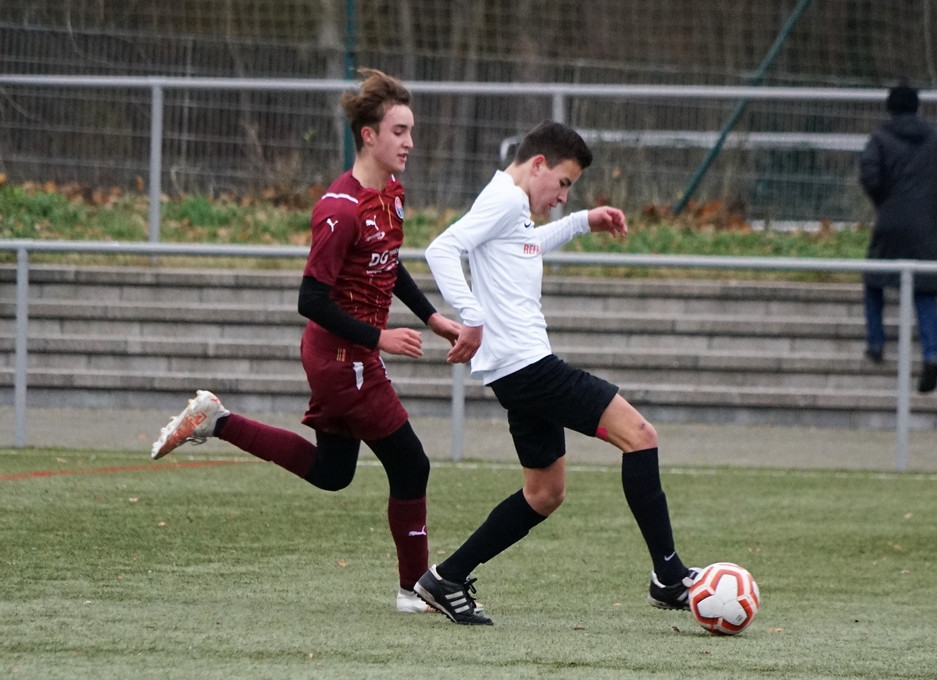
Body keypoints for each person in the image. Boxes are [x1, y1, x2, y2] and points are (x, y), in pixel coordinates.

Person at [150, 68, 462, 614]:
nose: (410, 142)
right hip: (342, 359)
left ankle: (217, 421)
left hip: (351, 354)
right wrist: (381, 337)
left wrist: (431, 317)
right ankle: (415, 588)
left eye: (411, 130)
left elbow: (387, 263)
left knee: (332, 473)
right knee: (412, 465)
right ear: (368, 135)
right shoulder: (339, 209)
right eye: (399, 131)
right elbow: (311, 299)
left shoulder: (391, 194)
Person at [413, 121, 699, 625]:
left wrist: (584, 221)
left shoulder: (510, 204)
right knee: (640, 436)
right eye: (564, 183)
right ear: (538, 164)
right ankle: (669, 577)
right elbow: (441, 249)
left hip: (518, 372)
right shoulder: (506, 199)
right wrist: (471, 317)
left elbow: (526, 247)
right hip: (530, 368)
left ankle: (446, 578)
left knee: (545, 494)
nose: (563, 196)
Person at [859, 83, 937, 393]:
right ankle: (931, 355)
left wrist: (884, 201)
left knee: (874, 281)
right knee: (925, 291)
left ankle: (876, 343)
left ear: (889, 107)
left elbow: (869, 175)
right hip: (924, 225)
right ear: (917, 107)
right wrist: (934, 200)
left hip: (889, 222)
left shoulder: (880, 138)